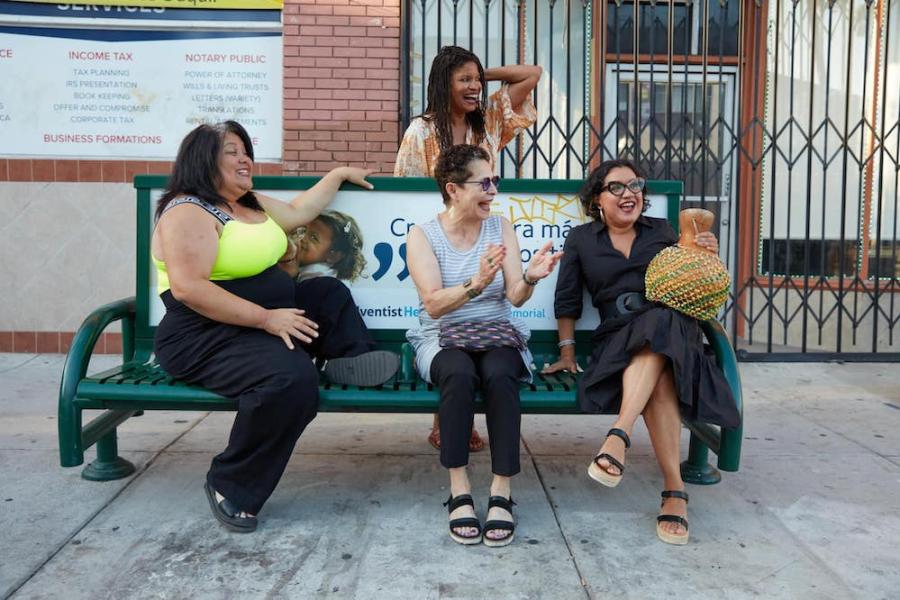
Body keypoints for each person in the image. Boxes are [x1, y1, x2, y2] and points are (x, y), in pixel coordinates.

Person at [151, 120, 375, 533]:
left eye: (245, 150)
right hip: (204, 333)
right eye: (232, 152)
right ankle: (231, 483)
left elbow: (301, 211)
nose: (244, 159)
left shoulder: (249, 204)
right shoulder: (188, 210)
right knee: (290, 381)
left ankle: (347, 360)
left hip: (263, 318)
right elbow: (189, 289)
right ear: (203, 161)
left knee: (326, 292)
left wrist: (339, 173)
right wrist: (266, 318)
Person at [544, 158, 742, 546]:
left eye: (635, 185)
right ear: (597, 199)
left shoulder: (664, 231)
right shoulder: (582, 239)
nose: (629, 193)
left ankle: (620, 433)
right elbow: (567, 300)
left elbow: (691, 277)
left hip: (670, 330)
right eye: (616, 187)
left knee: (662, 325)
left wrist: (706, 252)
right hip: (617, 337)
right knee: (661, 373)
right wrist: (568, 351)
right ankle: (673, 490)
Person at [406, 144, 563, 546]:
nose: (493, 190)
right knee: (457, 374)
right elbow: (434, 305)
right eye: (484, 182)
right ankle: (459, 489)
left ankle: (501, 491)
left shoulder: (501, 227)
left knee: (498, 373)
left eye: (496, 181)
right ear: (453, 189)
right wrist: (475, 284)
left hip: (496, 332)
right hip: (442, 336)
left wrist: (529, 277)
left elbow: (514, 298)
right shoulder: (423, 235)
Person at [395, 44, 542, 451]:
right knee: (450, 327)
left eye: (476, 79)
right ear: (443, 83)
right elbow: (404, 190)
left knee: (486, 333)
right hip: (440, 236)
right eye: (464, 79)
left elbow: (531, 73)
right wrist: (442, 226)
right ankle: (449, 420)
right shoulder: (421, 131)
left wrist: (481, 75)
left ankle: (456, 421)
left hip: (481, 228)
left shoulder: (489, 118)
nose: (475, 86)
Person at [278, 211, 398, 387]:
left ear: (334, 255)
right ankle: (355, 357)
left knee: (330, 289)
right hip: (274, 329)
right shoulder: (285, 254)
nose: (302, 239)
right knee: (330, 289)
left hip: (297, 335)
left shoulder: (319, 273)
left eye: (313, 237)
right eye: (303, 230)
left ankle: (351, 360)